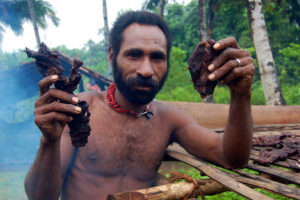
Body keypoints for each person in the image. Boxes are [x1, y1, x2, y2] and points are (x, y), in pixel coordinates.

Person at [24, 11, 255, 200]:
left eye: (157, 57)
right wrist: (49, 141)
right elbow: (39, 197)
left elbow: (231, 157)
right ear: (112, 55)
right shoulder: (78, 110)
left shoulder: (169, 119)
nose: (146, 69)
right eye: (134, 55)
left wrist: (241, 94)